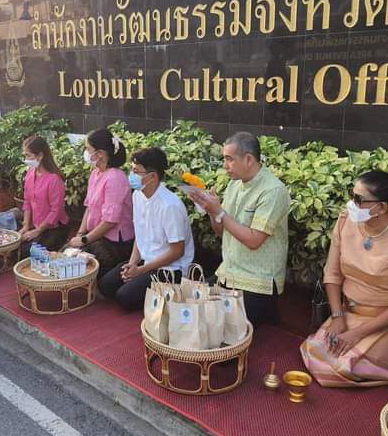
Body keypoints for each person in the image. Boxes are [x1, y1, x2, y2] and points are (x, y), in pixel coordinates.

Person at [300, 172, 388, 387]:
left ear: (382, 207)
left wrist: (356, 334)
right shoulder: (345, 222)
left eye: (358, 199)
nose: (352, 204)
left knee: (346, 366)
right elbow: (332, 274)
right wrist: (338, 317)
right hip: (348, 314)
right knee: (314, 352)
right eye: (352, 196)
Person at [189, 132, 290, 326]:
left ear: (249, 159)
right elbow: (220, 230)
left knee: (218, 327)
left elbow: (254, 240)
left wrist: (219, 211)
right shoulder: (234, 185)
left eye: (230, 159)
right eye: (224, 159)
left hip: (258, 281)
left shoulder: (273, 191)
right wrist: (210, 210)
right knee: (191, 309)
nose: (225, 165)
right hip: (228, 273)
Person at [98, 147, 194, 311]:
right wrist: (132, 265)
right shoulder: (138, 195)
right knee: (105, 286)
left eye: (136, 171)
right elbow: (140, 234)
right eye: (131, 170)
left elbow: (177, 251)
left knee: (124, 298)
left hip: (170, 268)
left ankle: (164, 295)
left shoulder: (170, 206)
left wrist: (141, 270)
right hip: (146, 261)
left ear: (153, 176)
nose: (131, 175)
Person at [68, 128, 134, 276]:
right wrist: (80, 234)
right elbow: (89, 207)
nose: (86, 153)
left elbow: (110, 221)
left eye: (88, 149)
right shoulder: (95, 173)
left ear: (100, 154)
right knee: (66, 254)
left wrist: (84, 240)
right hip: (95, 236)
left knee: (74, 265)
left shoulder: (116, 177)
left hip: (115, 243)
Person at [18, 135, 69, 257]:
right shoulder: (30, 173)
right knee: (17, 244)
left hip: (55, 229)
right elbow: (27, 201)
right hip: (37, 225)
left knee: (29, 251)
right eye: (25, 155)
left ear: (40, 155)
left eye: (28, 156)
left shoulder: (54, 179)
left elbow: (55, 211)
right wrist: (25, 226)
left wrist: (38, 231)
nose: (26, 159)